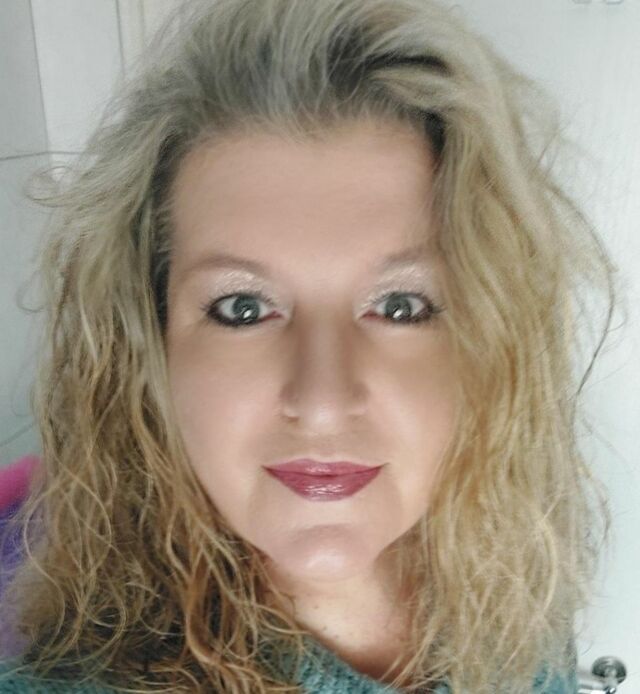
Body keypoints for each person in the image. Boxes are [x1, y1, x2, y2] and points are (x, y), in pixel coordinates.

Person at [0, 0, 617, 691]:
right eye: (242, 308)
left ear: (491, 341)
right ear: (149, 346)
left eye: (401, 306)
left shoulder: (521, 607)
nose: (322, 404)